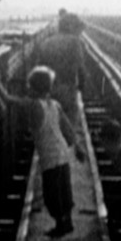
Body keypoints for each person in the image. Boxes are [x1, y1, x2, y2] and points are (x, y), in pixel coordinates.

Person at [0, 66, 82, 237]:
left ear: (33, 88)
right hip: (63, 155)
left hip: (49, 159)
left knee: (51, 195)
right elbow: (68, 129)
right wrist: (77, 147)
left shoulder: (34, 105)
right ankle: (68, 222)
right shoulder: (55, 105)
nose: (27, 88)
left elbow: (9, 100)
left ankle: (60, 226)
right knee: (65, 191)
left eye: (29, 86)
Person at [36, 12, 88, 146]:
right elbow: (80, 69)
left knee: (52, 127)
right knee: (69, 128)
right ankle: (68, 151)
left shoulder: (46, 43)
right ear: (71, 27)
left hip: (50, 93)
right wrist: (81, 87)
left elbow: (39, 70)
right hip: (67, 91)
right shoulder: (75, 42)